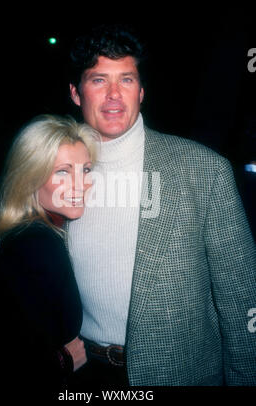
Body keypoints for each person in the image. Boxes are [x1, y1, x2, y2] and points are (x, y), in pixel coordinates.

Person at [67, 24, 256, 386]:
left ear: (142, 91)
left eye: (125, 80)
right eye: (98, 80)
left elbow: (241, 295)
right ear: (76, 93)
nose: (113, 95)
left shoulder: (203, 169)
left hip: (179, 374)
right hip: (86, 374)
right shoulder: (50, 174)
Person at [0, 115, 98, 399]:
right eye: (63, 172)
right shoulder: (36, 244)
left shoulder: (18, 232)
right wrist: (61, 362)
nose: (81, 185)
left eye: (86, 169)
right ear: (30, 177)